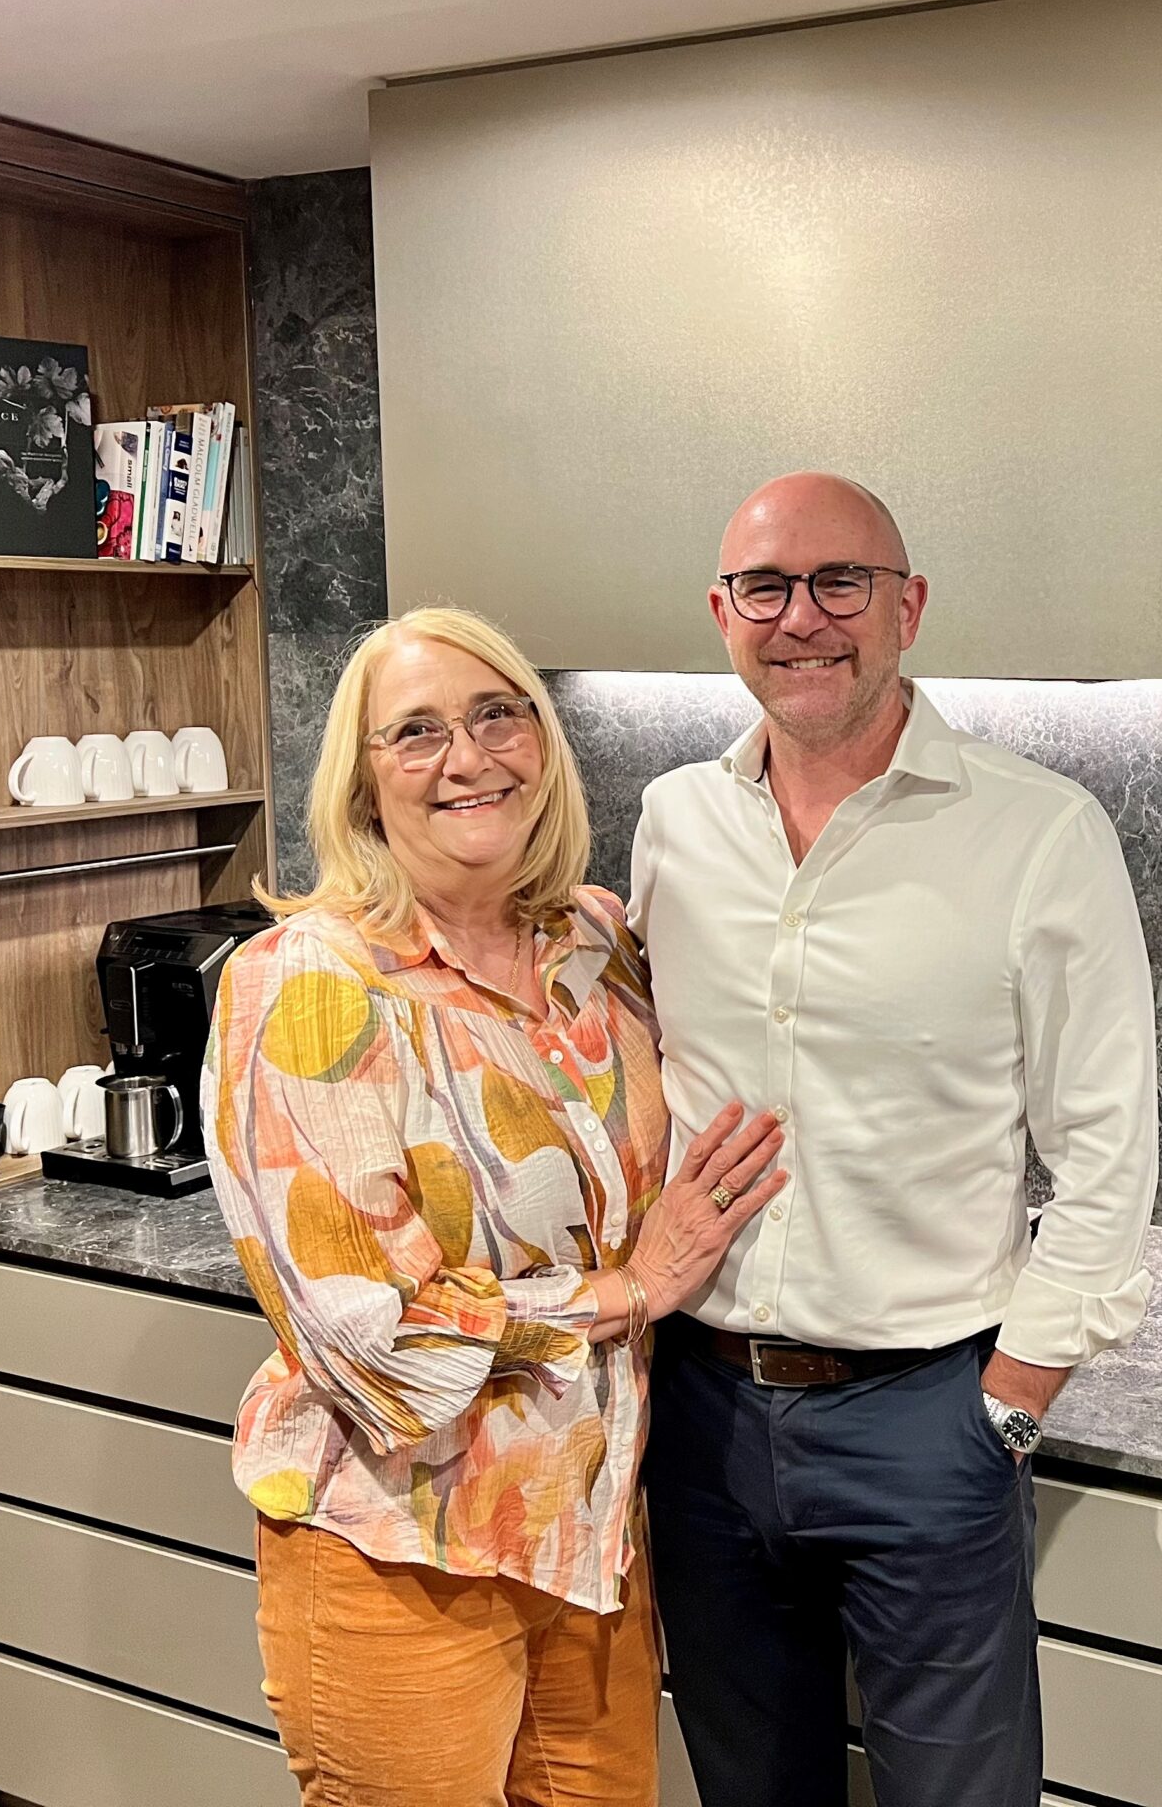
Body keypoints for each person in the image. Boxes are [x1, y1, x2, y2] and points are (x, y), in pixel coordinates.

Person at [630, 473, 1161, 1807]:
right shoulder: (673, 822)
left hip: (927, 1414)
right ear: (721, 613)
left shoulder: (1038, 832)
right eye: (767, 588)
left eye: (840, 583)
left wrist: (1013, 1399)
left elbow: (1106, 1145)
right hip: (699, 1412)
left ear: (907, 605)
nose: (803, 619)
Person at [204, 605, 788, 1807]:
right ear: (364, 787)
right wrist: (628, 1291)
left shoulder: (594, 938)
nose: (467, 758)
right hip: (406, 1547)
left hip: (591, 1543)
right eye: (414, 734)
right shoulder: (312, 980)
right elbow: (374, 1339)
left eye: (494, 716)